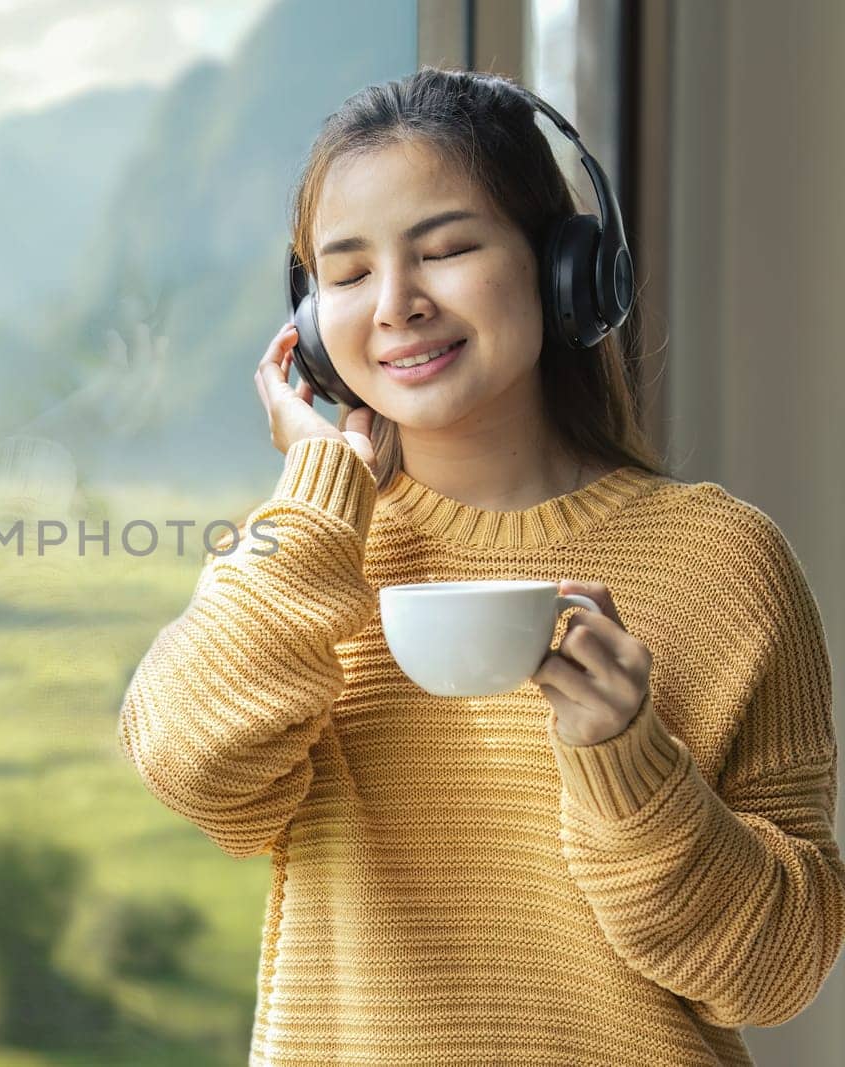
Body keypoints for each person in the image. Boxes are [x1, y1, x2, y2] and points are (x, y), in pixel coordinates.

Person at [117, 67, 842, 1066]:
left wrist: (626, 754)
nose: (397, 304)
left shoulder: (722, 563)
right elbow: (193, 770)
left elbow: (773, 970)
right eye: (347, 270)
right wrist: (322, 483)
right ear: (308, 328)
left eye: (446, 249)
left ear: (564, 269)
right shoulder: (304, 547)